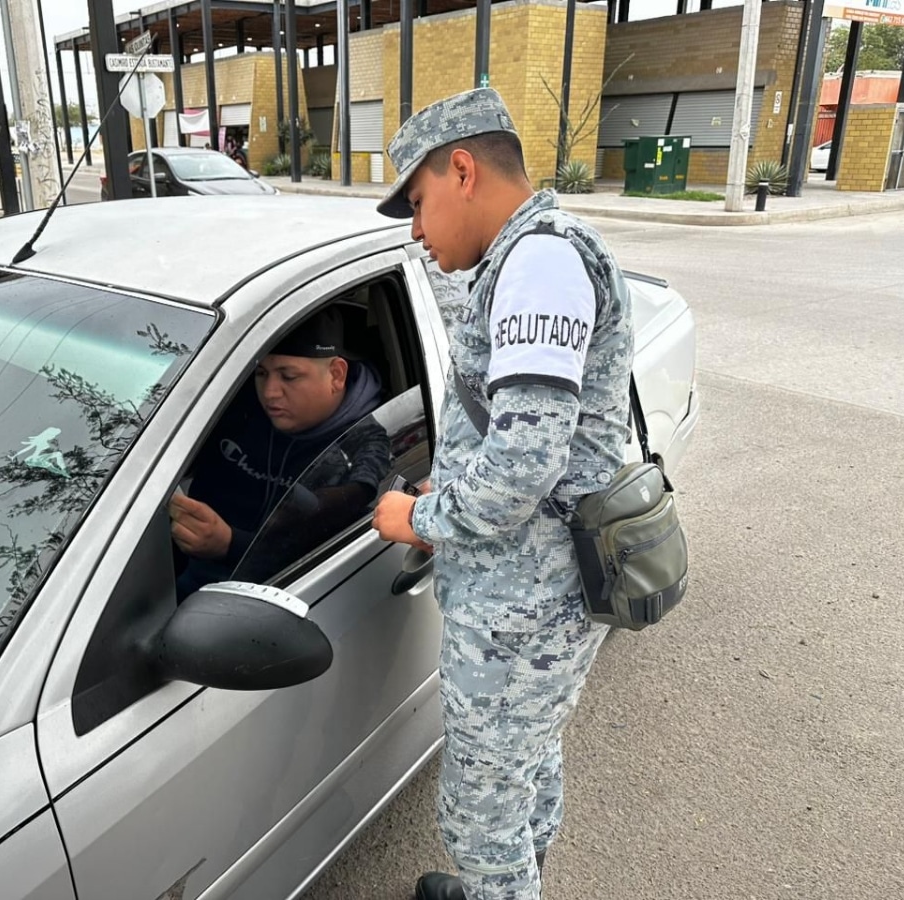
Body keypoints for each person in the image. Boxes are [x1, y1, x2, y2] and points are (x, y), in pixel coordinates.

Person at [371, 88, 634, 900]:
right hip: (542, 592)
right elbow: (514, 432)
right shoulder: (535, 254)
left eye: (417, 203)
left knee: (479, 812)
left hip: (527, 602)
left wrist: (416, 516)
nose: (416, 231)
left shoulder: (540, 263)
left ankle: (503, 888)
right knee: (525, 768)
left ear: (461, 169)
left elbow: (522, 463)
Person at [171, 307, 390, 598]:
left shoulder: (366, 445)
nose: (270, 392)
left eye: (289, 377)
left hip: (276, 601)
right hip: (171, 574)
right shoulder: (239, 404)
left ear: (336, 375)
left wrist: (230, 544)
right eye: (261, 373)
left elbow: (327, 544)